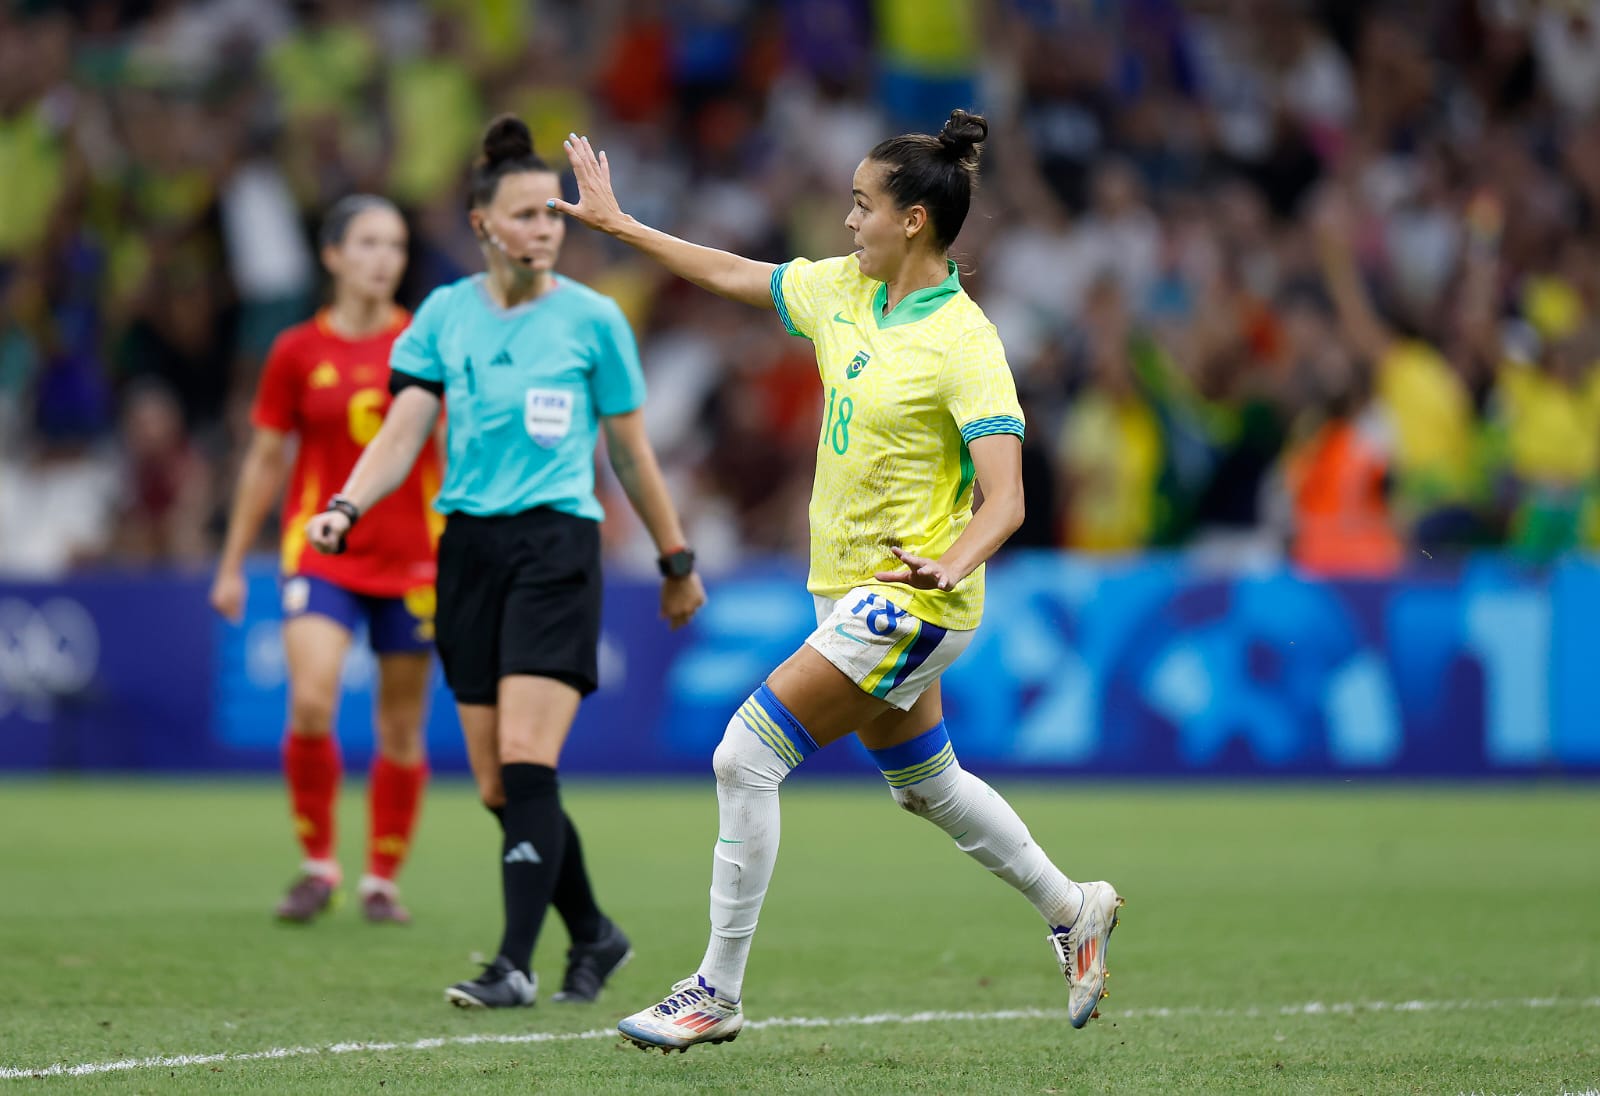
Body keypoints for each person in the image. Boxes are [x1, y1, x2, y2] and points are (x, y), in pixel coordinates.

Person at [550, 109, 1125, 1052]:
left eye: (862, 205)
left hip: (913, 597)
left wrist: (952, 559)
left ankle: (715, 992)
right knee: (924, 783)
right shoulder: (844, 294)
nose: (846, 220)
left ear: (912, 223)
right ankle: (1074, 907)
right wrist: (622, 227)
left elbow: (1007, 499)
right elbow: (737, 273)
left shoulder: (967, 343)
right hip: (851, 589)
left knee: (745, 755)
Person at [304, 115, 707, 1008]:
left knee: (527, 756)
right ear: (483, 224)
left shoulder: (594, 321)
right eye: (525, 216)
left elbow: (632, 454)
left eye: (554, 217)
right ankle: (596, 933)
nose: (545, 230)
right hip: (470, 553)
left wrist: (675, 556)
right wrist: (345, 505)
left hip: (557, 545)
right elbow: (406, 427)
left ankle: (514, 965)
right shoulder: (443, 315)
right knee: (497, 783)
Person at [210, 194, 439, 925]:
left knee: (399, 726)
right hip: (321, 552)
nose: (384, 259)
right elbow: (265, 459)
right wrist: (230, 561)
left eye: (396, 246)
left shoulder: (428, 342)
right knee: (312, 702)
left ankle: (381, 879)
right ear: (332, 255)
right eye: (368, 243)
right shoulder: (296, 352)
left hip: (413, 558)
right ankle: (318, 865)